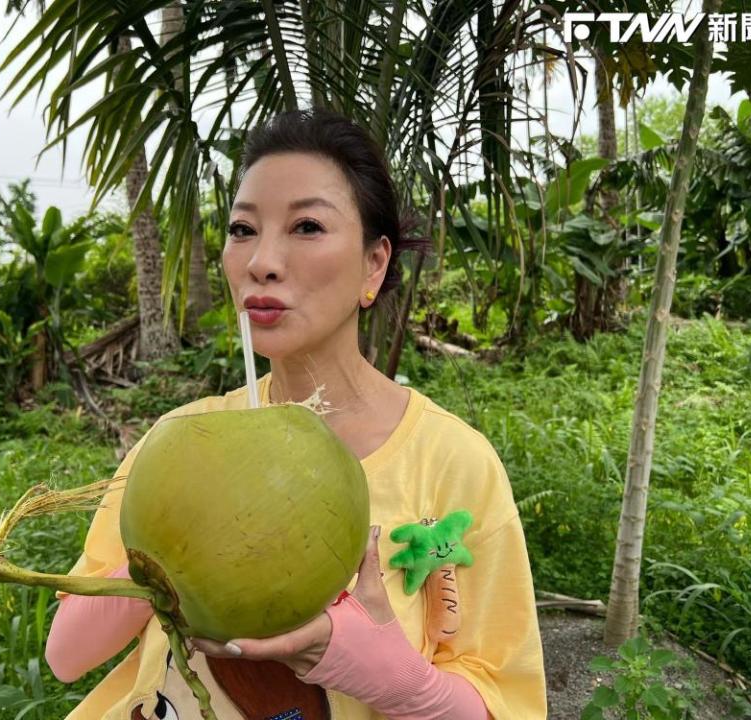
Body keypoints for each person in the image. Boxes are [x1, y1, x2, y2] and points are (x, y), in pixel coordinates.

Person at [45, 108, 547, 720]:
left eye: (307, 225)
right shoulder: (183, 441)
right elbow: (66, 656)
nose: (261, 261)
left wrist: (401, 682)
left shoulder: (452, 464)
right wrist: (166, 550)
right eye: (242, 229)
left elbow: (508, 705)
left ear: (374, 264)